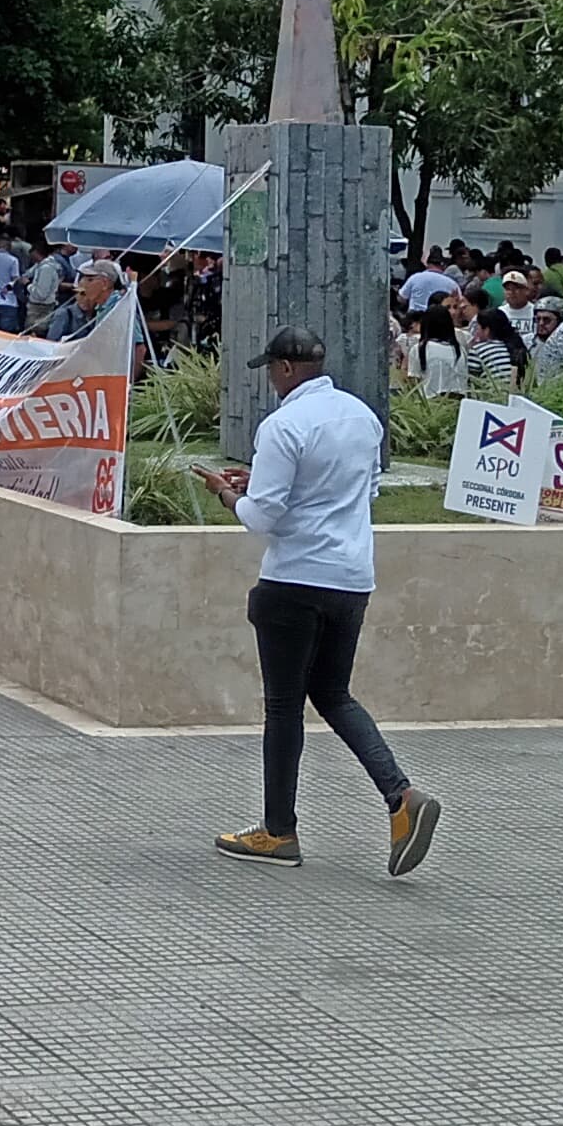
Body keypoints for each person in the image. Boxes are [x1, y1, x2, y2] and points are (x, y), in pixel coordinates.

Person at [214, 328, 439, 875]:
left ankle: (278, 832)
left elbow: (262, 517)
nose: (269, 379)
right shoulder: (362, 418)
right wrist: (263, 486)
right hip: (351, 577)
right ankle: (400, 796)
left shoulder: (283, 425)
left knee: (284, 706)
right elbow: (356, 492)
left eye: (271, 369)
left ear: (288, 370)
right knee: (334, 694)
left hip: (293, 580)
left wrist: (230, 495)